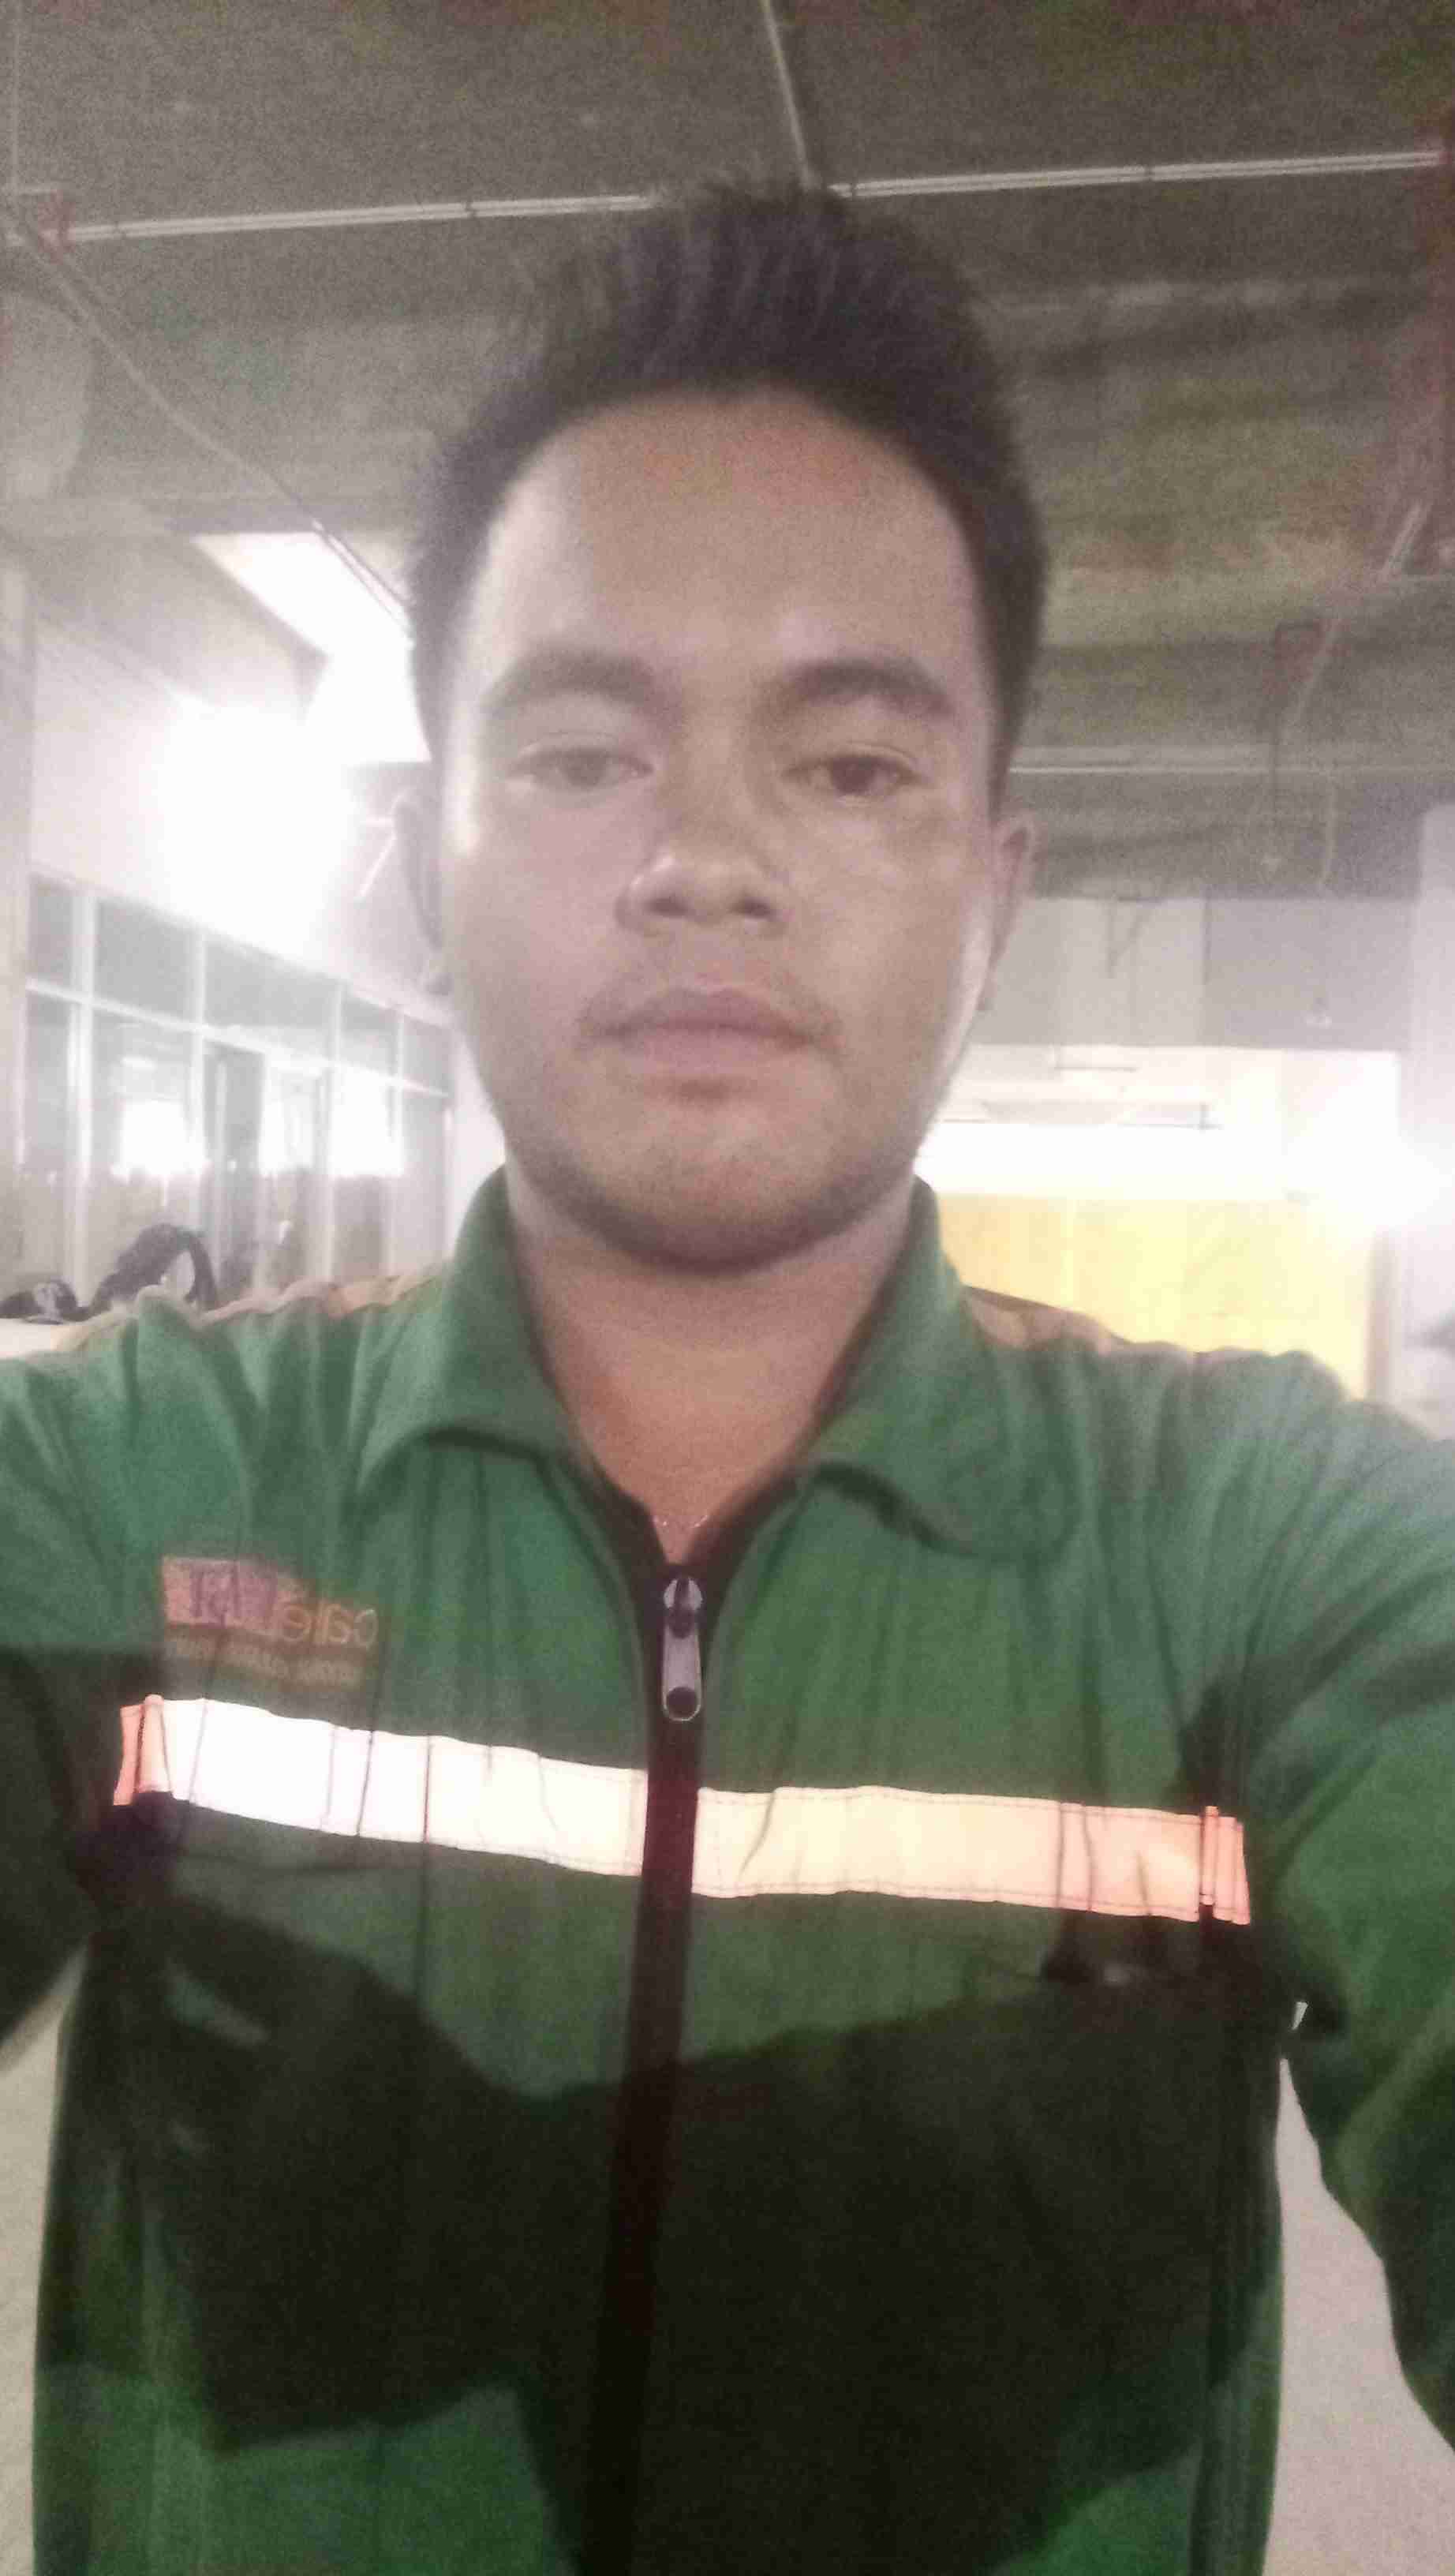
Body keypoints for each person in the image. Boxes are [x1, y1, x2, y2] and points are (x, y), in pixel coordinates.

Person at [2, 182, 1453, 2576]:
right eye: (585, 754)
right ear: (427, 861)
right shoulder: (129, 1477)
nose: (706, 861)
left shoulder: (1259, 1549)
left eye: (850, 767)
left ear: (990, 891)